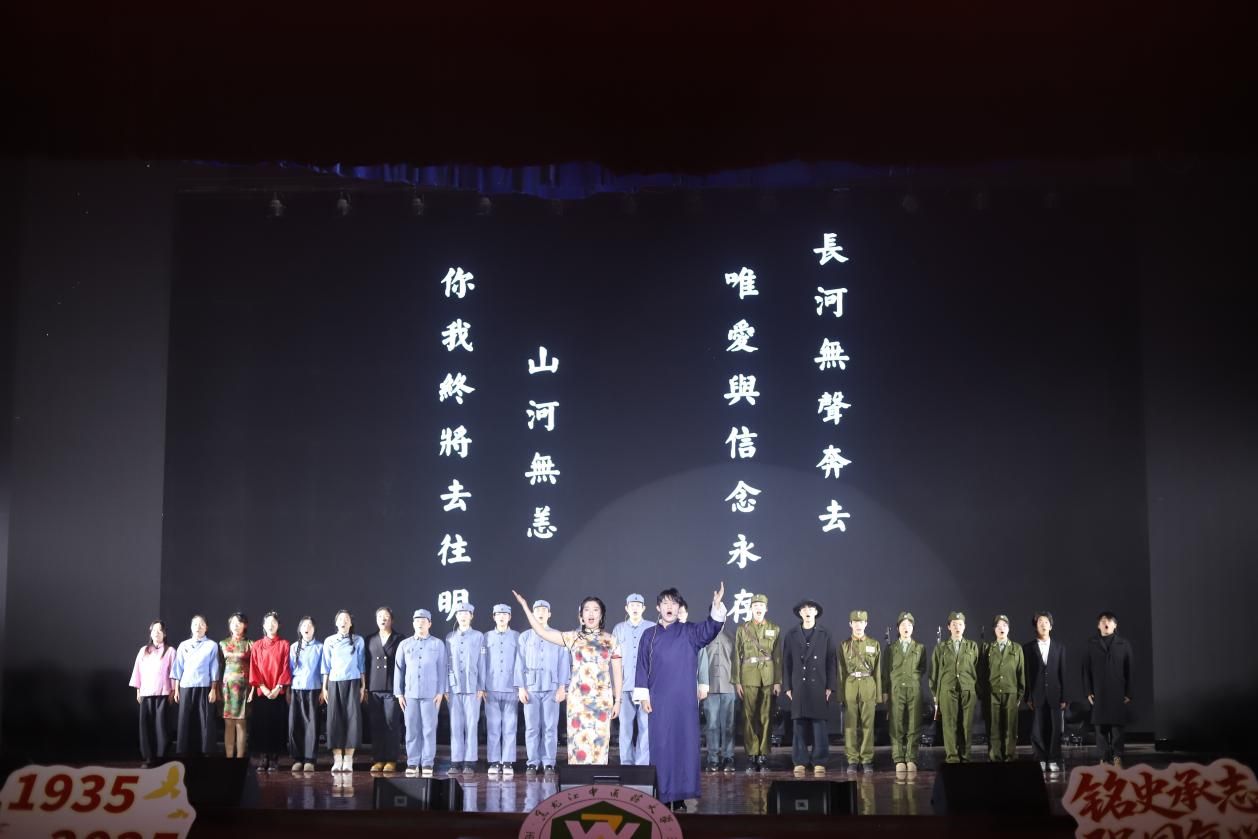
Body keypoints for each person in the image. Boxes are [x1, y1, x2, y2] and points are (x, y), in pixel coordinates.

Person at [633, 584, 727, 812]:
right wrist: (643, 696)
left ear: (679, 608)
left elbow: (711, 628)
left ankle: (682, 794)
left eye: (674, 603)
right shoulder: (649, 635)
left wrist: (716, 606)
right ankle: (664, 794)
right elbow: (641, 666)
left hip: (684, 701)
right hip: (659, 700)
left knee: (684, 745)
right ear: (658, 607)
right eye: (665, 603)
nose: (669, 607)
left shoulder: (690, 632)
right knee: (661, 746)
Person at [511, 590, 623, 765]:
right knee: (579, 745)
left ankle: (597, 778)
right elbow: (541, 632)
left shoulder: (611, 640)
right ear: (581, 615)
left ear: (601, 615)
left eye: (595, 610)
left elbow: (617, 672)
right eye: (587, 609)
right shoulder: (573, 637)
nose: (591, 613)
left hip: (601, 700)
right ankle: (578, 781)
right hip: (578, 700)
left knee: (599, 746)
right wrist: (525, 606)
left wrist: (618, 701)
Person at [514, 599, 570, 776]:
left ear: (549, 614)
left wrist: (562, 687)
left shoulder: (558, 636)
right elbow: (519, 663)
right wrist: (521, 687)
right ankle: (532, 762)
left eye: (544, 610)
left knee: (550, 727)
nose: (540, 613)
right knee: (532, 728)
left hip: (551, 688)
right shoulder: (525, 637)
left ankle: (549, 762)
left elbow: (564, 663)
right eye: (537, 610)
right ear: (533, 613)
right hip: (531, 688)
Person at [782, 599, 837, 779]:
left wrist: (830, 686)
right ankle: (800, 760)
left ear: (816, 612)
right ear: (800, 613)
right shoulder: (791, 634)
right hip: (798, 684)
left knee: (819, 724)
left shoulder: (825, 634)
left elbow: (831, 662)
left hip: (819, 684)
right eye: (804, 609)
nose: (807, 611)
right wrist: (787, 686)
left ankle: (819, 760)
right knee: (799, 724)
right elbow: (786, 662)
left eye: (810, 609)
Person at [732, 593, 782, 773]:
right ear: (751, 608)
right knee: (749, 716)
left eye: (761, 605)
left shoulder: (774, 629)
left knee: (766, 716)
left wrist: (777, 681)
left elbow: (777, 657)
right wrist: (737, 681)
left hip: (768, 676)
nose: (758, 608)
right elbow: (736, 656)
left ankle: (763, 754)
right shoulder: (742, 629)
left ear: (766, 609)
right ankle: (752, 754)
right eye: (755, 605)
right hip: (748, 675)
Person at [395, 609, 448, 778]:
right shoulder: (405, 644)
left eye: (423, 621)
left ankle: (427, 762)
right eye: (417, 620)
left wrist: (441, 691)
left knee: (429, 729)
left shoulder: (437, 644)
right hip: (410, 694)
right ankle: (412, 762)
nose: (420, 623)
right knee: (411, 729)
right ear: (413, 623)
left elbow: (442, 668)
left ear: (429, 624)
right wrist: (399, 693)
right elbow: (399, 669)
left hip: (431, 695)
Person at [1083, 610, 1133, 767]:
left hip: (1118, 691)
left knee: (1117, 727)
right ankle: (1104, 757)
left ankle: (1117, 756)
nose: (1106, 623)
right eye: (1103, 621)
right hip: (1099, 691)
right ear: (1098, 625)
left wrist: (1128, 692)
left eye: (1110, 621)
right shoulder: (1091, 644)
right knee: (1100, 727)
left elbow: (1130, 670)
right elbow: (1086, 670)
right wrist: (1088, 691)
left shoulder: (1124, 644)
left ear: (1115, 625)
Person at [929, 610, 980, 763]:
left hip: (967, 690)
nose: (957, 627)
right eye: (954, 624)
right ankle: (952, 757)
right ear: (948, 627)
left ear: (964, 627)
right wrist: (935, 694)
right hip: (947, 690)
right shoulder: (941, 647)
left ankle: (965, 756)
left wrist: (975, 689)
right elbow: (934, 673)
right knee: (949, 724)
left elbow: (977, 668)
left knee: (966, 724)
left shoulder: (972, 646)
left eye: (960, 624)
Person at [320, 609, 366, 774]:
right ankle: (337, 758)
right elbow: (326, 665)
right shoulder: (329, 641)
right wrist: (324, 687)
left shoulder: (358, 640)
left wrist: (363, 686)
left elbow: (362, 664)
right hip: (334, 682)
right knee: (335, 720)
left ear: (351, 623)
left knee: (352, 719)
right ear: (336, 622)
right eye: (340, 619)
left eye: (347, 619)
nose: (343, 621)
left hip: (353, 682)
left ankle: (348, 759)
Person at [882, 611, 926, 775]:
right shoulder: (891, 649)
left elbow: (922, 668)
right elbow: (885, 671)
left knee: (914, 724)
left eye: (909, 625)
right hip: (896, 690)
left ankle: (912, 758)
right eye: (902, 625)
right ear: (898, 628)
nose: (906, 628)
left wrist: (913, 679)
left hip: (914, 689)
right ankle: (899, 758)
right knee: (896, 724)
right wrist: (885, 692)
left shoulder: (920, 648)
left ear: (913, 628)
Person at [445, 603, 486, 775]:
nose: (463, 616)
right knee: (455, 725)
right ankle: (455, 761)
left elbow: (482, 663)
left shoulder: (478, 636)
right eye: (460, 613)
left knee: (471, 725)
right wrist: (446, 687)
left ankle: (470, 761)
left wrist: (481, 686)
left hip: (472, 687)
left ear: (471, 616)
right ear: (456, 616)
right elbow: (446, 663)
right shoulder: (449, 637)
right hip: (454, 688)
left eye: (466, 613)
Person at [1024, 611, 1067, 774]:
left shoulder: (1060, 647)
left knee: (1056, 729)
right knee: (1037, 729)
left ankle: (1054, 758)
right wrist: (1028, 696)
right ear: (1035, 626)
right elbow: (1026, 674)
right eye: (1040, 622)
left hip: (1055, 694)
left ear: (1051, 626)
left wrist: (1064, 696)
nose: (1043, 624)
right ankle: (1040, 758)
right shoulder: (1028, 648)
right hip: (1036, 694)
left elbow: (1063, 673)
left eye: (1046, 622)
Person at [978, 614, 1025, 763]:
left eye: (1004, 625)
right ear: (994, 630)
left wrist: (1019, 694)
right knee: (994, 726)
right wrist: (983, 693)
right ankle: (995, 757)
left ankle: (1009, 756)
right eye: (998, 626)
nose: (1001, 628)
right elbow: (982, 672)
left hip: (1011, 692)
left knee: (1010, 727)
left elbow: (1021, 672)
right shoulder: (988, 648)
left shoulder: (1016, 648)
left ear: (1009, 629)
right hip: (992, 693)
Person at [171, 615, 219, 757]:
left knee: (204, 720)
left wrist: (213, 689)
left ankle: (206, 753)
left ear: (206, 628)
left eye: (201, 624)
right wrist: (176, 689)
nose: (198, 627)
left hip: (204, 687)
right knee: (185, 720)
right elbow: (178, 668)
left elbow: (214, 669)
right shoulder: (183, 645)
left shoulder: (212, 645)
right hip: (185, 687)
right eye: (195, 624)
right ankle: (184, 752)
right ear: (191, 627)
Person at [248, 611, 291, 772]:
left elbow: (286, 667)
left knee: (276, 724)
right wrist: (263, 688)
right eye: (268, 622)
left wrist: (278, 687)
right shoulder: (257, 645)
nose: (271, 625)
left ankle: (274, 758)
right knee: (261, 724)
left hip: (278, 692)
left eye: (274, 622)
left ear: (278, 625)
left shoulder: (284, 644)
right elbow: (254, 668)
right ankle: (263, 757)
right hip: (262, 691)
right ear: (263, 626)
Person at [839, 609, 881, 774]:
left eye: (861, 622)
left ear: (866, 624)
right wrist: (841, 695)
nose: (858, 625)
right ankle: (852, 759)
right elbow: (841, 671)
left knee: (868, 725)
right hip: (850, 685)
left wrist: (878, 695)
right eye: (855, 622)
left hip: (868, 685)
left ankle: (867, 759)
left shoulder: (874, 644)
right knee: (850, 725)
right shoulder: (844, 645)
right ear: (850, 624)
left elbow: (877, 671)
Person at [129, 619, 175, 767]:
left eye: (160, 630)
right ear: (150, 633)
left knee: (161, 727)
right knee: (146, 727)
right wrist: (138, 690)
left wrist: (173, 691)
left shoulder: (170, 651)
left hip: (163, 694)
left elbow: (174, 673)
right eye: (154, 630)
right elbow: (138, 671)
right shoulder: (143, 650)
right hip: (146, 693)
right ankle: (148, 757)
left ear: (164, 633)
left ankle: (162, 758)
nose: (157, 633)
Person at [612, 593, 651, 765]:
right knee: (625, 728)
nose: (635, 608)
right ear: (626, 608)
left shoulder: (652, 627)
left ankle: (642, 764)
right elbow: (613, 660)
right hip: (625, 686)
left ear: (643, 608)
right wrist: (615, 689)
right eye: (632, 605)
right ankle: (626, 763)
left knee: (646, 727)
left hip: (645, 688)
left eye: (638, 605)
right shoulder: (618, 629)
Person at [484, 604, 521, 776]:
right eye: (498, 614)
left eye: (505, 614)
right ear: (493, 617)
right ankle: (494, 761)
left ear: (509, 617)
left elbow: (520, 663)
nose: (501, 617)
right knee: (493, 726)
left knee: (510, 727)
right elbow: (481, 663)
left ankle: (507, 761)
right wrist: (482, 686)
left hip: (511, 688)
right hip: (491, 688)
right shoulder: (486, 637)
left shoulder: (517, 637)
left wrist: (520, 685)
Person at [366, 606, 403, 773]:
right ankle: (378, 758)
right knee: (376, 724)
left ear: (392, 619)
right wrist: (365, 687)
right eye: (380, 616)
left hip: (391, 687)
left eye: (386, 616)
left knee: (391, 723)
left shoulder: (399, 638)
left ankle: (391, 759)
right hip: (374, 687)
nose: (383, 619)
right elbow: (366, 664)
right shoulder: (370, 639)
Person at [698, 623, 736, 773]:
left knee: (729, 725)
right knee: (712, 725)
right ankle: (712, 758)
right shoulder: (704, 636)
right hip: (710, 687)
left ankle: (728, 757)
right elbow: (699, 662)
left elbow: (737, 661)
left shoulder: (732, 635)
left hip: (729, 686)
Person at [288, 616, 323, 771]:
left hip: (314, 689)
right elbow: (289, 670)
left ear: (314, 629)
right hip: (296, 689)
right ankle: (297, 758)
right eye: (304, 626)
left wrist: (323, 689)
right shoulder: (294, 647)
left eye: (310, 626)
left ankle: (310, 759)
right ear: (300, 629)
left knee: (312, 725)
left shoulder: (320, 647)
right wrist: (288, 690)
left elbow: (324, 670)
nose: (307, 628)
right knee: (295, 724)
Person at [219, 613, 253, 759]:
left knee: (241, 723)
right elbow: (218, 667)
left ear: (245, 625)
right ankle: (228, 757)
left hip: (245, 688)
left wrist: (253, 689)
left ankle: (239, 757)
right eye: (233, 623)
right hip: (227, 688)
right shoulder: (223, 643)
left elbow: (255, 668)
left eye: (239, 623)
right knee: (228, 723)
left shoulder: (251, 644)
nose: (236, 625)